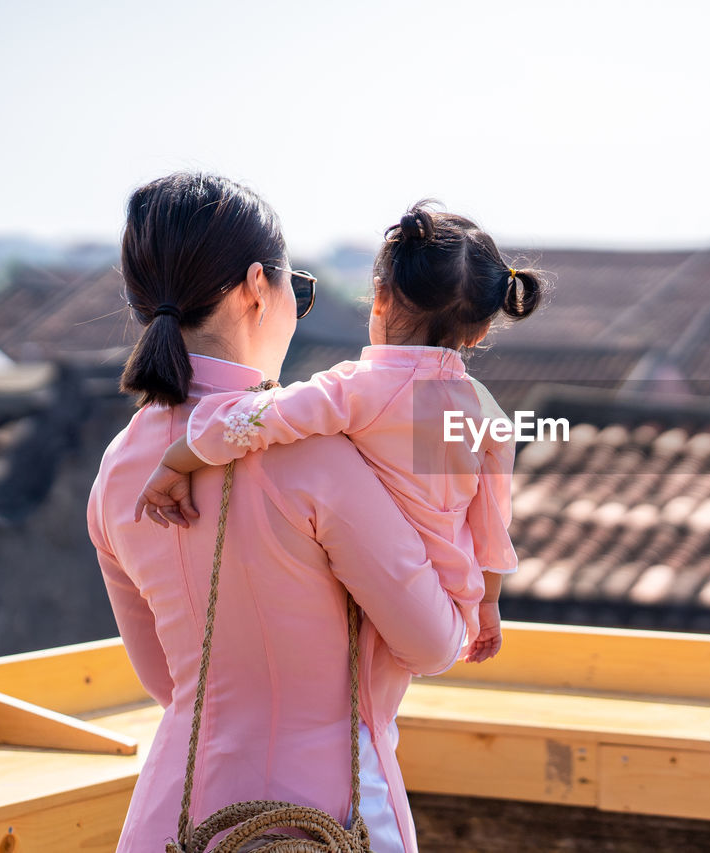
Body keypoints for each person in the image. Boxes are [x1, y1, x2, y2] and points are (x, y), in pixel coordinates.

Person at [87, 172, 464, 852]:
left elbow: (166, 680)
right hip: (323, 817)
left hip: (170, 820)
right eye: (301, 287)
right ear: (257, 287)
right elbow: (434, 643)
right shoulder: (313, 453)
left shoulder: (118, 468)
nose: (298, 305)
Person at [134, 200, 547, 664]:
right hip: (454, 601)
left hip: (393, 601)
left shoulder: (360, 388)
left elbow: (258, 421)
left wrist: (178, 457)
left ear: (380, 297)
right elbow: (492, 524)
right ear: (480, 330)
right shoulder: (488, 414)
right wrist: (488, 604)